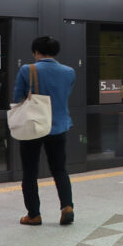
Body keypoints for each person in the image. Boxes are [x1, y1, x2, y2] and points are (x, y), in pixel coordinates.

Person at [14, 36, 76, 226]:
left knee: (30, 172)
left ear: (36, 52)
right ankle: (67, 207)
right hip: (59, 127)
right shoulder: (69, 72)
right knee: (60, 169)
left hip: (33, 127)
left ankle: (34, 215)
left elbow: (17, 98)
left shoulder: (27, 69)